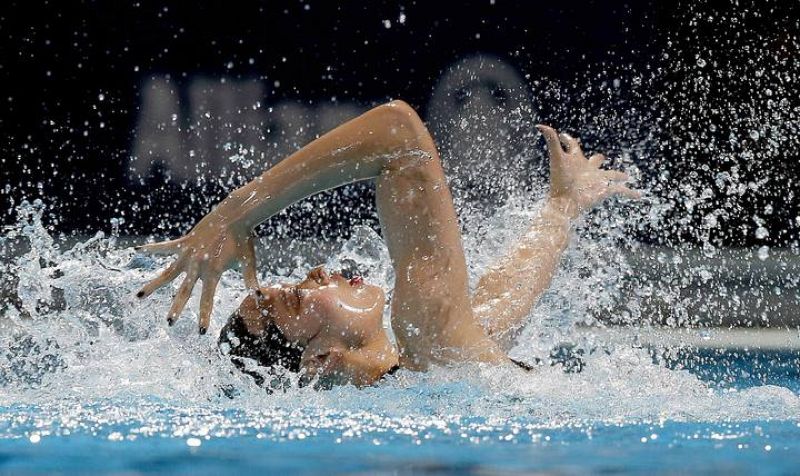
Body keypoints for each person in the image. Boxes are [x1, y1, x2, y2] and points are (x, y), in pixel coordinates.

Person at [135, 100, 639, 388]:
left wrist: (561, 208)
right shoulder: (426, 337)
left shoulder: (425, 360)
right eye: (292, 298)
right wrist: (235, 215)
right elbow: (399, 134)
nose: (315, 272)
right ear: (319, 359)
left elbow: (497, 307)